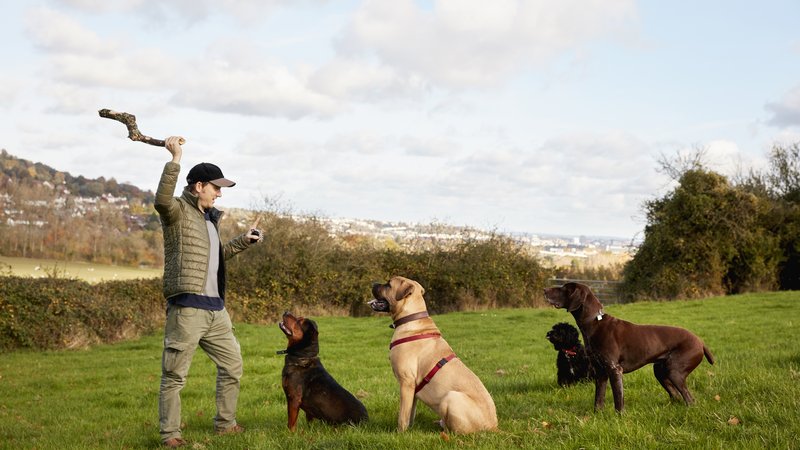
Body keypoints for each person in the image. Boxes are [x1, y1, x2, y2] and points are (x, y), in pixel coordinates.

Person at [155, 136, 262, 448]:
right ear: (198, 186)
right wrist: (175, 159)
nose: (219, 193)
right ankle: (170, 435)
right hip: (187, 308)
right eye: (216, 187)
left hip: (216, 310)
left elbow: (215, 258)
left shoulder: (209, 220)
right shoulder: (176, 212)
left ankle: (225, 424)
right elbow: (161, 199)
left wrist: (245, 240)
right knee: (174, 375)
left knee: (233, 366)